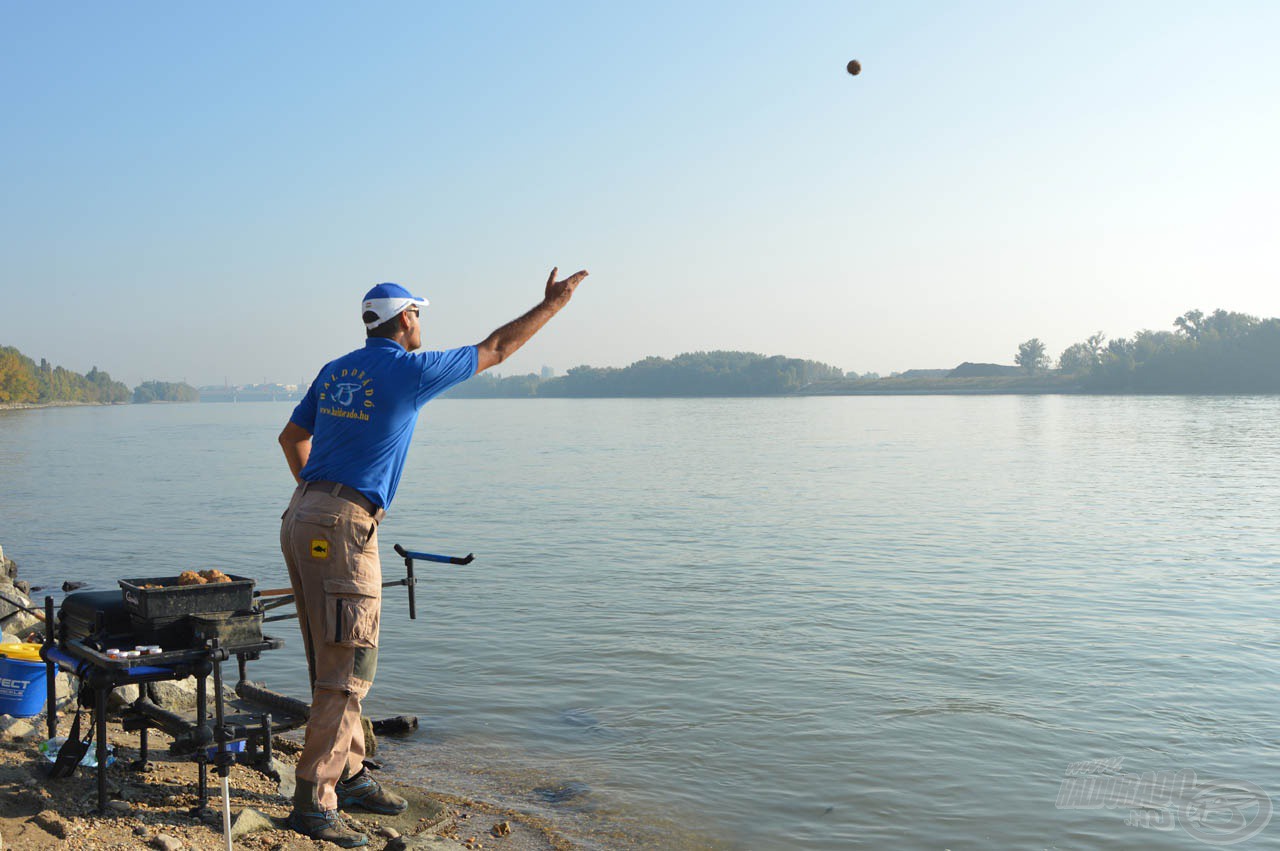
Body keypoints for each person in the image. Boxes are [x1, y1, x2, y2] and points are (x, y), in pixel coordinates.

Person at [277, 267, 588, 847]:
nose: (422, 322)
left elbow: (291, 439)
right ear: (404, 320)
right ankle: (313, 804)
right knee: (348, 668)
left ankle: (348, 776)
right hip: (342, 525)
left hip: (301, 516)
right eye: (418, 313)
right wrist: (553, 306)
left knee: (329, 656)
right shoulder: (408, 370)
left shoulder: (337, 369)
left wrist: (322, 497)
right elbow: (496, 347)